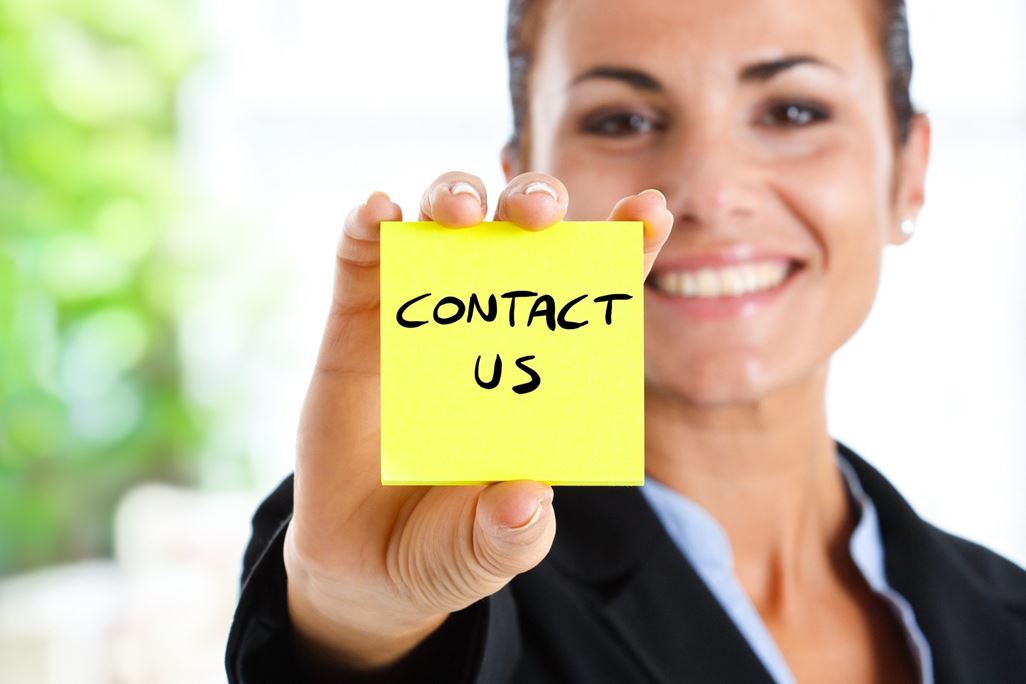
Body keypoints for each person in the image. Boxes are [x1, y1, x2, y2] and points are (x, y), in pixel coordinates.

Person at [225, 0, 1026, 681]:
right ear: (527, 172)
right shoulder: (439, 562)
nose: (710, 192)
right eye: (622, 120)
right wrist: (356, 627)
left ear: (908, 173)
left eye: (793, 112)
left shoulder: (1008, 619)